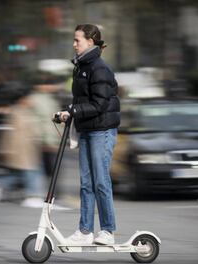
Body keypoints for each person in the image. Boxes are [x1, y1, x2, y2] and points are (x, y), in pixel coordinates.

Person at [56, 24, 120, 245]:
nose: (74, 44)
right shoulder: (82, 66)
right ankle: (84, 231)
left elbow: (100, 104)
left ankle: (108, 231)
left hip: (101, 131)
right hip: (88, 129)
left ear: (90, 42)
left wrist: (73, 111)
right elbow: (82, 101)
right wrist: (67, 111)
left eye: (77, 40)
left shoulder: (99, 68)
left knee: (100, 181)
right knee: (85, 182)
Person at [0, 84, 45, 208]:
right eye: (30, 98)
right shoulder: (17, 112)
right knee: (31, 172)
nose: (32, 100)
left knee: (17, 176)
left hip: (27, 151)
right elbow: (13, 135)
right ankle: (33, 196)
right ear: (23, 99)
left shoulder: (25, 111)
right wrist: (11, 152)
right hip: (22, 151)